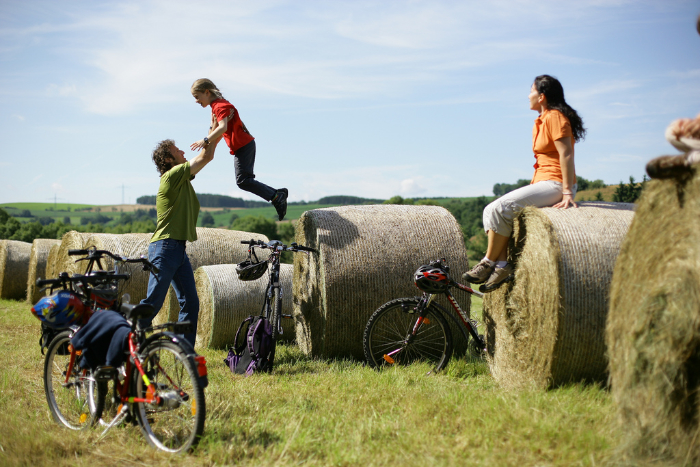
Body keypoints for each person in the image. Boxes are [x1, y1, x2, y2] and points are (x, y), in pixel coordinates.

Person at [463, 75, 586, 293]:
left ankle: (488, 262)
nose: (527, 96)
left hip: (557, 183)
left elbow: (566, 154)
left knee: (500, 208)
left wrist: (567, 192)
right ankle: (502, 266)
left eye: (530, 91)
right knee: (490, 212)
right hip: (544, 181)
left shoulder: (555, 117)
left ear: (542, 96)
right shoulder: (540, 120)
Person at [138, 130, 226, 346]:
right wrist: (213, 133)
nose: (183, 151)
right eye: (178, 150)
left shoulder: (181, 178)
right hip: (165, 247)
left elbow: (209, 156)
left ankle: (184, 351)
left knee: (190, 302)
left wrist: (217, 129)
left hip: (176, 249)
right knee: (153, 302)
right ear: (169, 159)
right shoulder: (172, 175)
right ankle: (122, 340)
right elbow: (204, 156)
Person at [189, 78, 289, 221]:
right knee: (244, 180)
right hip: (243, 146)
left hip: (244, 146)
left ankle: (277, 196)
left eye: (197, 97)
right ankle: (277, 195)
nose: (196, 101)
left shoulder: (219, 106)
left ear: (206, 92)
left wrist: (205, 139)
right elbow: (221, 130)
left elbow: (222, 127)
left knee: (243, 180)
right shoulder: (217, 106)